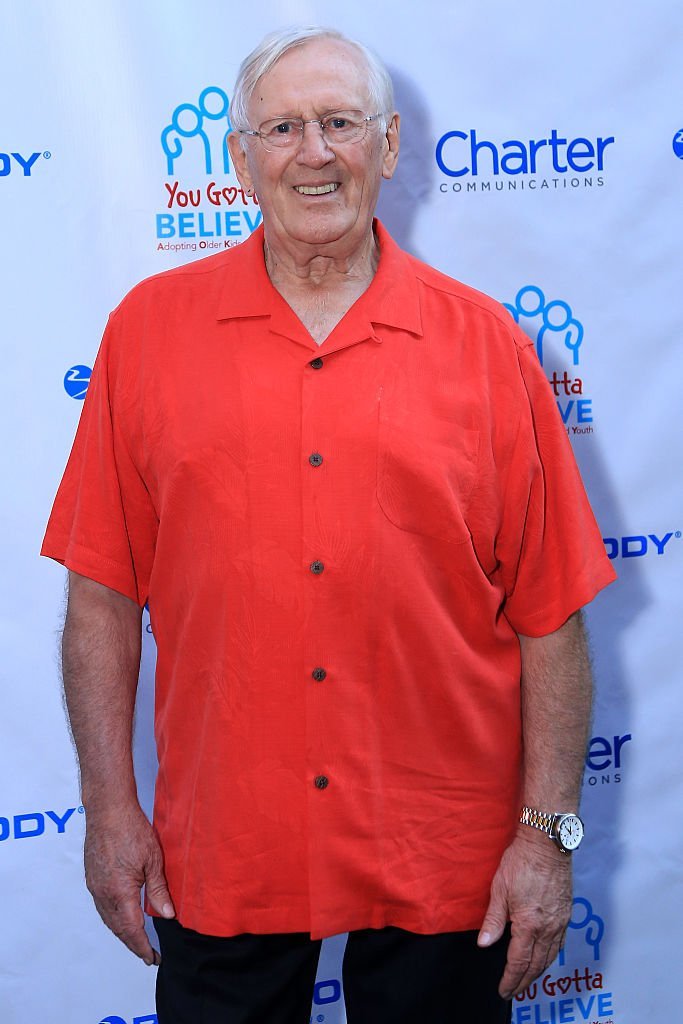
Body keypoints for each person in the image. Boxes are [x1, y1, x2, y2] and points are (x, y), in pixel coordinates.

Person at [42, 26, 616, 1024]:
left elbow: (551, 616)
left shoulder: (485, 346)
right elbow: (97, 594)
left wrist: (547, 835)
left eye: (340, 124)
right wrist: (106, 810)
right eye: (282, 127)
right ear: (238, 157)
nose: (313, 153)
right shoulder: (147, 333)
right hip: (225, 844)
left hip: (444, 852)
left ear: (388, 147)